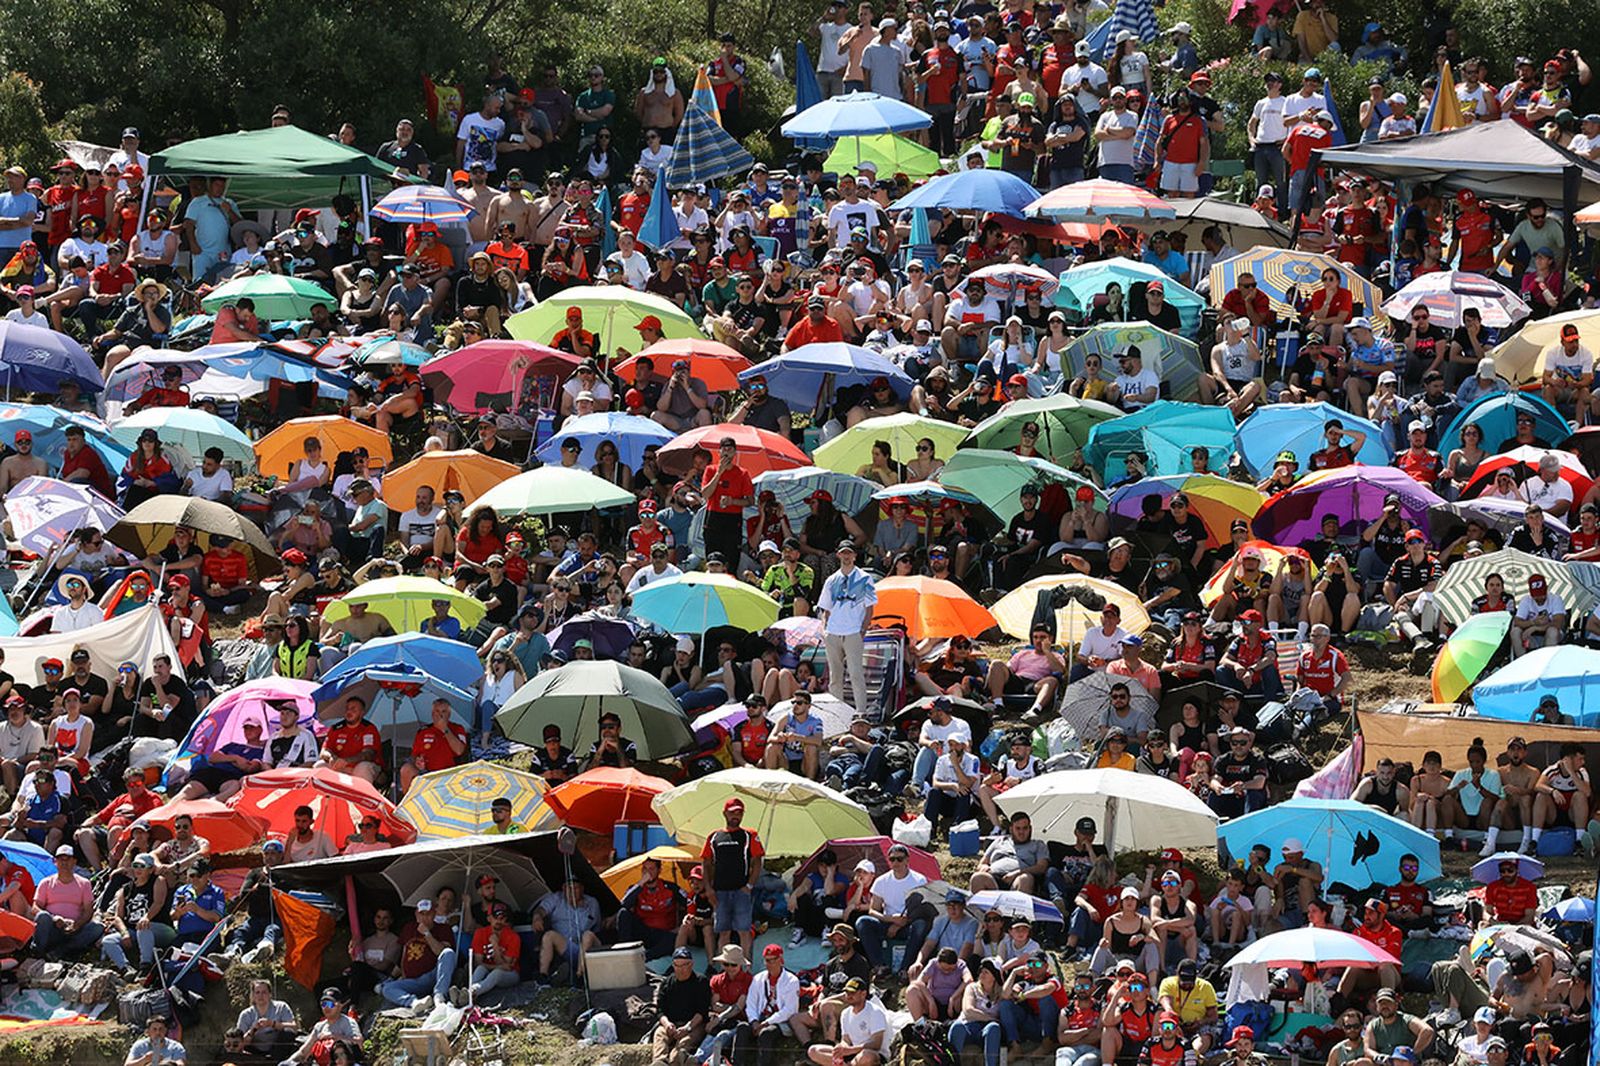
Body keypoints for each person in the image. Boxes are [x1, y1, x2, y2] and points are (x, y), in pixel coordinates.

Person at [701, 797, 764, 959]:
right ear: (725, 813)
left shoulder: (749, 835)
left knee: (744, 931)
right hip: (720, 892)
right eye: (732, 812)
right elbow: (706, 863)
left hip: (741, 891)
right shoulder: (714, 836)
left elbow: (757, 861)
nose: (736, 816)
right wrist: (708, 889)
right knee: (723, 933)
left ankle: (747, 968)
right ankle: (724, 969)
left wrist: (749, 886)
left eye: (739, 813)